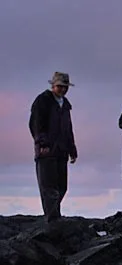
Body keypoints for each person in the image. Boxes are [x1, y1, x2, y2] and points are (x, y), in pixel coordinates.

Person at [29, 72, 78, 225]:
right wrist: (42, 144)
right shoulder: (42, 101)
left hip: (62, 151)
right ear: (53, 85)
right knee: (49, 187)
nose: (63, 89)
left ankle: (54, 216)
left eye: (65, 87)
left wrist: (72, 150)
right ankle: (53, 219)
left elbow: (68, 129)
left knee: (62, 186)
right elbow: (36, 124)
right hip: (47, 151)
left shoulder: (65, 105)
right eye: (60, 86)